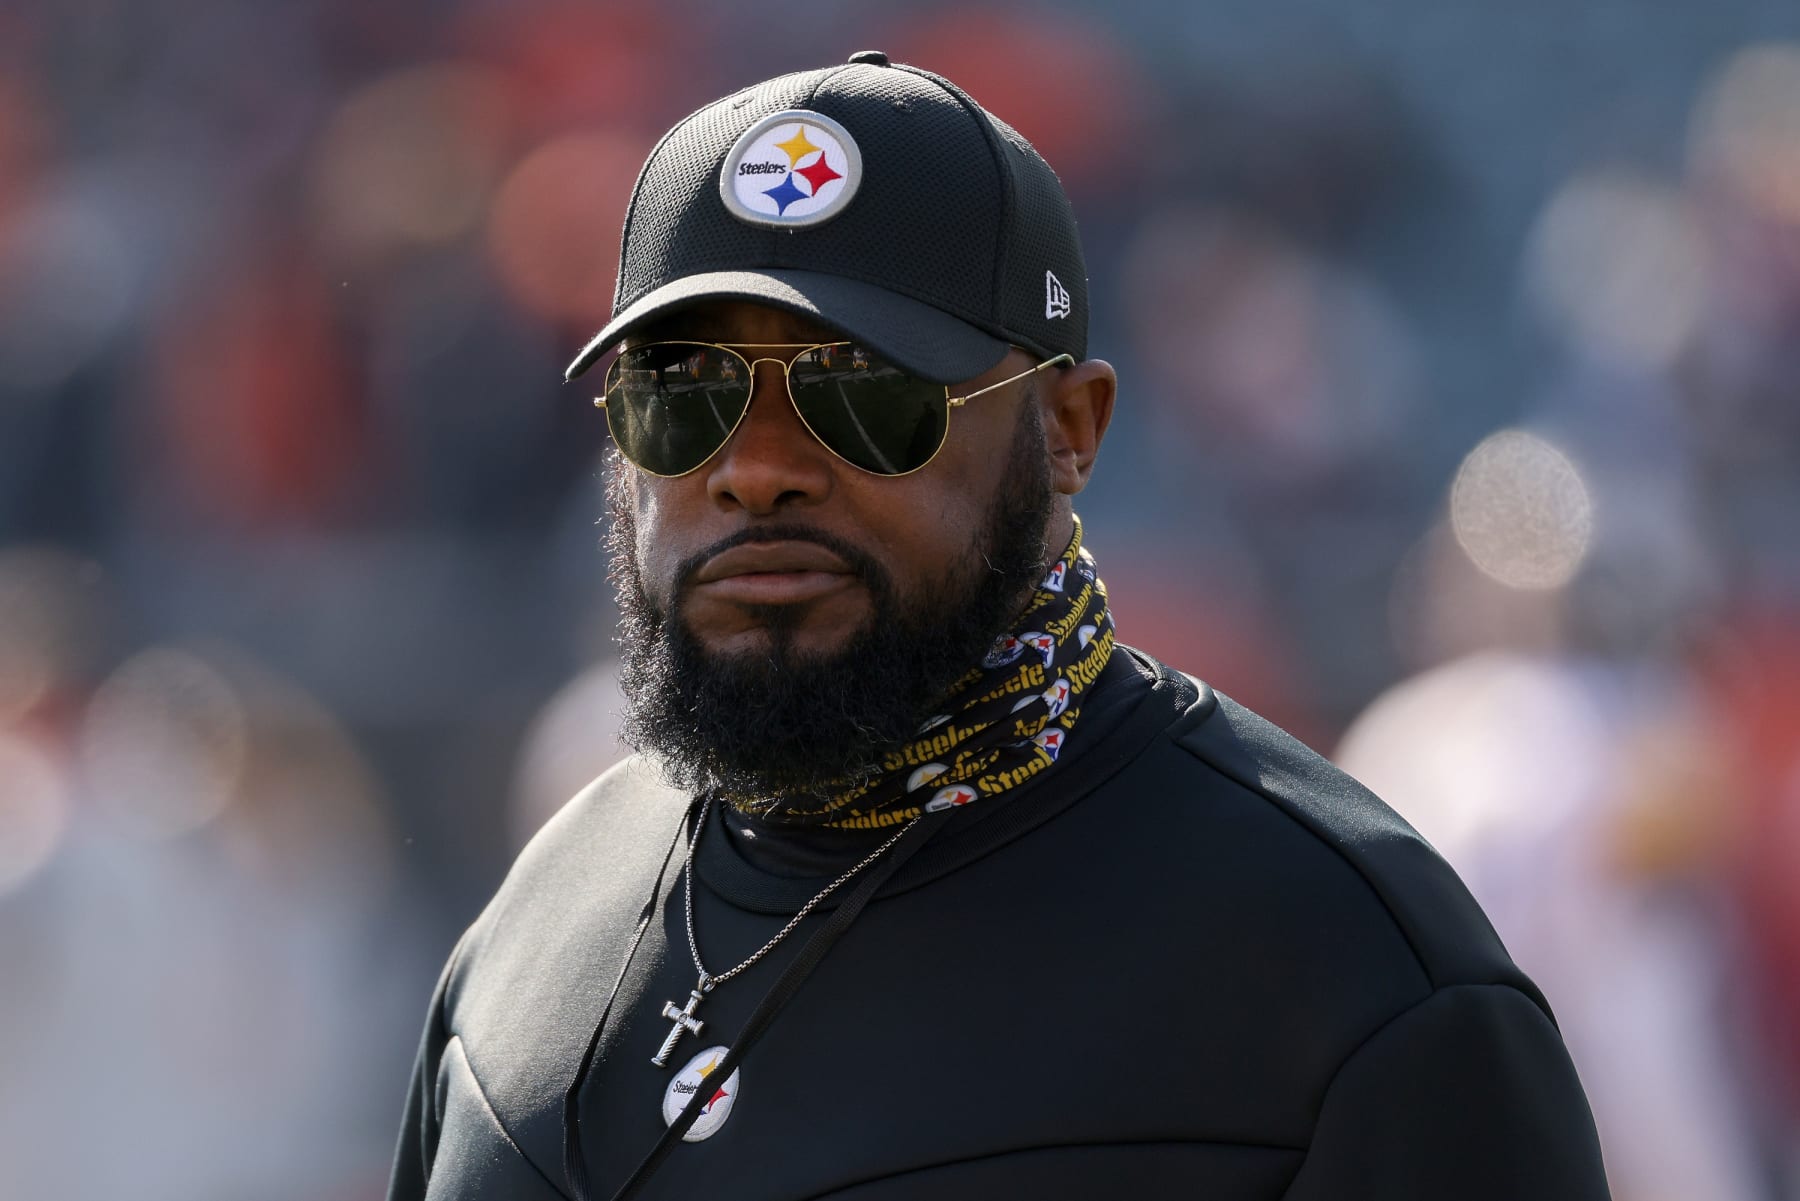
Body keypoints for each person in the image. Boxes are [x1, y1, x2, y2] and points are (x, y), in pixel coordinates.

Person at [388, 53, 1612, 1201]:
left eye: (860, 389)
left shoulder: (1342, 974)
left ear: (1070, 428)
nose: (756, 469)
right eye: (682, 394)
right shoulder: (531, 929)